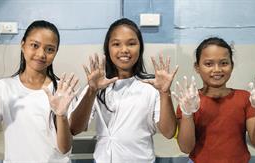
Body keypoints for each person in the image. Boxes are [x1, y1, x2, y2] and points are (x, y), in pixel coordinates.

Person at [0, 20, 78, 163]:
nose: (41, 54)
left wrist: (61, 115)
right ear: (23, 45)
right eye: (34, 45)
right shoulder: (4, 88)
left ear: (55, 52)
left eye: (50, 49)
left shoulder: (62, 91)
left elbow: (65, 148)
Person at [69, 18, 178, 163]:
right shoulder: (96, 85)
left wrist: (165, 93)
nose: (124, 50)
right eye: (116, 44)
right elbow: (74, 129)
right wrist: (92, 91)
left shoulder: (152, 86)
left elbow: (169, 132)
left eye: (131, 43)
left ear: (140, 47)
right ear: (107, 48)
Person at [172, 37, 255, 163]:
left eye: (224, 63)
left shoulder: (245, 98)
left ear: (232, 66)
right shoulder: (188, 101)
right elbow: (185, 148)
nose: (217, 69)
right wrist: (187, 114)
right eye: (208, 64)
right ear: (197, 67)